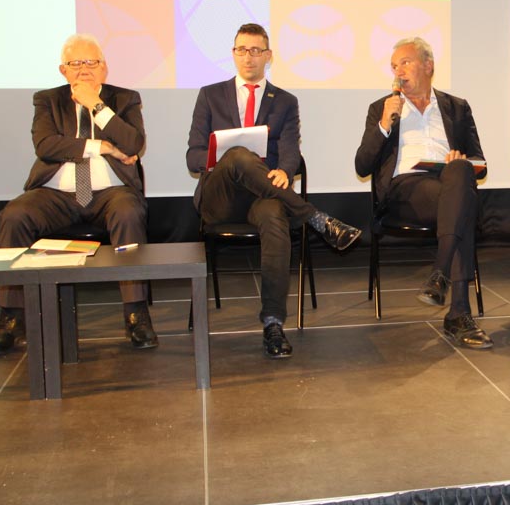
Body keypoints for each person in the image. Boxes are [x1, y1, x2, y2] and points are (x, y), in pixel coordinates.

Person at [187, 23, 361, 359]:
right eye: (242, 49)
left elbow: (291, 151)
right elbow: (193, 156)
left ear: (268, 56)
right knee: (238, 155)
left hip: (264, 196)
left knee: (274, 216)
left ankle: (273, 323)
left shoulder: (285, 101)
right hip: (220, 198)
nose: (248, 57)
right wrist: (221, 157)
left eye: (255, 50)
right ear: (233, 53)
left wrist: (285, 170)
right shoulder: (210, 95)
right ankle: (316, 218)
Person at [0, 33, 154, 356]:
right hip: (56, 194)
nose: (84, 70)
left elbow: (133, 142)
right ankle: (11, 318)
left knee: (128, 213)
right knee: (14, 215)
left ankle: (136, 314)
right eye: (75, 63)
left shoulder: (125, 99)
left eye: (91, 62)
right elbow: (46, 145)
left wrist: (96, 105)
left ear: (104, 68)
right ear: (63, 70)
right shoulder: (48, 100)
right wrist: (101, 146)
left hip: (110, 192)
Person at [354, 37, 492, 349]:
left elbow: (480, 164)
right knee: (462, 206)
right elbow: (362, 165)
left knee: (460, 173)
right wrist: (384, 125)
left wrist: (461, 161)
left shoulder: (457, 107)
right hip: (405, 192)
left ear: (428, 65)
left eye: (405, 62)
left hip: (450, 185)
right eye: (394, 66)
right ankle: (458, 311)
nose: (398, 71)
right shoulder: (381, 108)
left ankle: (440, 277)